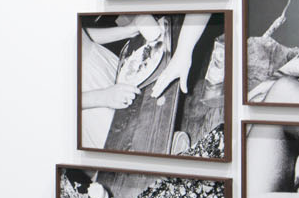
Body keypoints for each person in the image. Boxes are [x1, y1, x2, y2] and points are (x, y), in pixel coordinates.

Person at [79, 14, 209, 149]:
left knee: (146, 118)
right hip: (89, 99)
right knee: (131, 143)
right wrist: (101, 97)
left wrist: (129, 29)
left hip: (102, 64)